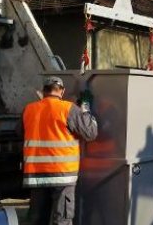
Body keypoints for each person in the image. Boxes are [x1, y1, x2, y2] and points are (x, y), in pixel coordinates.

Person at [22, 76, 97, 225]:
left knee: (37, 220)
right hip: (62, 175)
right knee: (61, 220)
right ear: (62, 92)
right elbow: (91, 133)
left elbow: (20, 131)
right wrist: (85, 107)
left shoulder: (29, 109)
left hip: (35, 174)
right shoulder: (68, 109)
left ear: (44, 91)